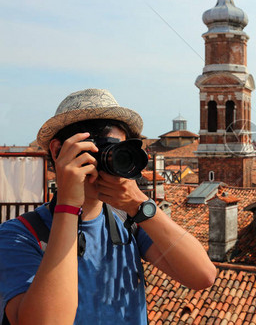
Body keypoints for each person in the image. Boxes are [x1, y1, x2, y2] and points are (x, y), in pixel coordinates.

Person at [0, 89, 216, 324]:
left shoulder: (127, 223)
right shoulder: (18, 236)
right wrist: (69, 206)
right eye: (95, 149)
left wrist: (139, 203)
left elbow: (202, 276)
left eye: (116, 151)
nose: (107, 161)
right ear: (57, 151)